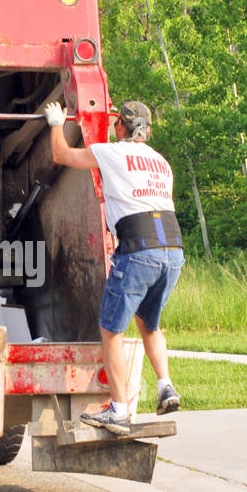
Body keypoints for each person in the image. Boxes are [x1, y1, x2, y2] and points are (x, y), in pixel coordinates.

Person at [42, 100, 183, 435]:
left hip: (138, 249)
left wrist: (55, 122)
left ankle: (119, 410)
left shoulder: (112, 152)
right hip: (172, 250)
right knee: (150, 324)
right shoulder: (162, 163)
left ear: (121, 125)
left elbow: (61, 155)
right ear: (147, 130)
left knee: (111, 331)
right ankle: (166, 386)